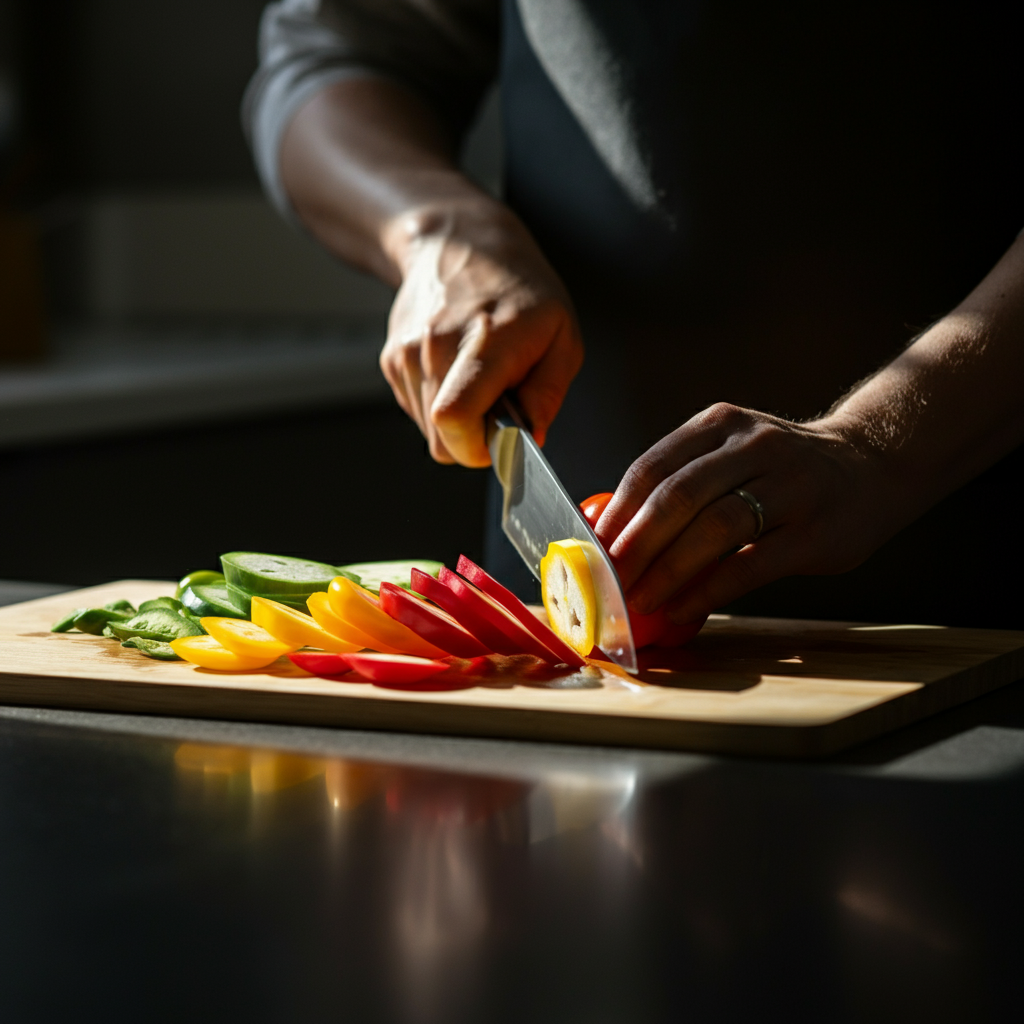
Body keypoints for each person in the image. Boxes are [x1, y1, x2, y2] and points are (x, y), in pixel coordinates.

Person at [244, 0, 1024, 627]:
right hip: (562, 618)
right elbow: (339, 52)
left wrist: (879, 447)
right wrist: (435, 229)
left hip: (975, 605)